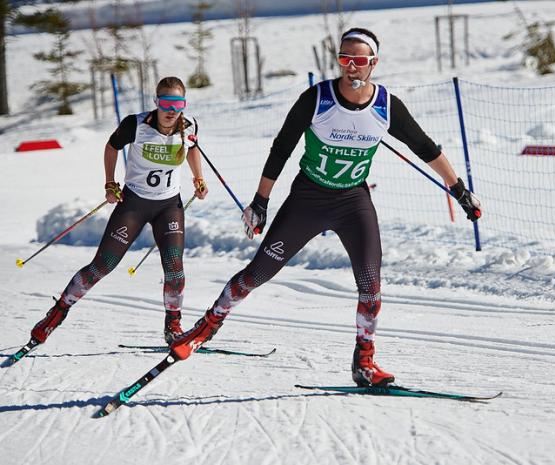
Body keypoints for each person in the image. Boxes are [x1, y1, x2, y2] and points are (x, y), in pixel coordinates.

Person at [171, 28, 481, 387]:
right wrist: (260, 201)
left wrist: (460, 191)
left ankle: (364, 361)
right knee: (257, 273)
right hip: (308, 198)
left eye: (360, 61)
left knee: (371, 285)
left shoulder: (385, 105)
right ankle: (207, 325)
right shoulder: (316, 98)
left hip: (353, 201)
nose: (351, 67)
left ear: (373, 64)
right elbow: (281, 148)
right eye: (344, 59)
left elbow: (426, 148)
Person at [25, 76, 208, 350]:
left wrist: (198, 178)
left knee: (175, 267)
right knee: (103, 265)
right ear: (157, 102)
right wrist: (110, 183)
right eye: (166, 102)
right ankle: (57, 313)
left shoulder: (189, 125)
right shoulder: (135, 124)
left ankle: (173, 325)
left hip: (169, 205)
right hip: (134, 203)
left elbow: (192, 149)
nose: (172, 110)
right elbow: (112, 147)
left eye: (178, 103)